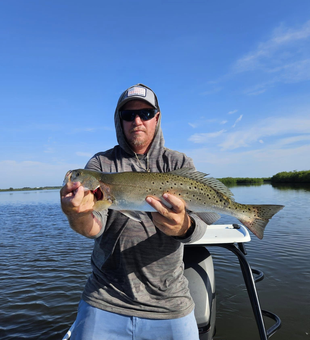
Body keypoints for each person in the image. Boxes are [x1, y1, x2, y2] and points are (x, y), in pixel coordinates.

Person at [60, 84, 208, 340]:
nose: (137, 121)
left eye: (146, 114)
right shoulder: (100, 165)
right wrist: (78, 214)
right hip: (105, 297)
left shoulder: (179, 163)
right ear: (120, 120)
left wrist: (184, 226)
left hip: (170, 303)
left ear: (157, 118)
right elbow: (95, 227)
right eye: (128, 115)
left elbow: (202, 225)